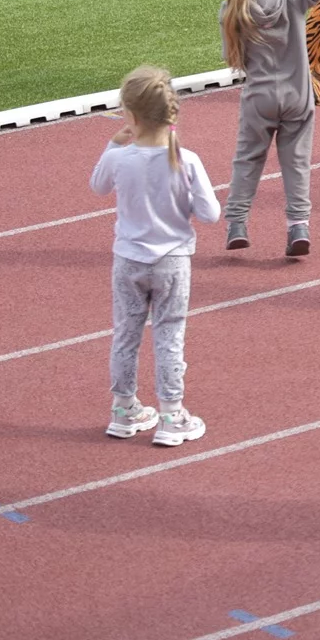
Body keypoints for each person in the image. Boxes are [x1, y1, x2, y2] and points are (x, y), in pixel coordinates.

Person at [93, 66, 220, 447]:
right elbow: (212, 214)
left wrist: (114, 144)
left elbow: (97, 186)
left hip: (128, 260)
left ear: (129, 118)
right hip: (172, 262)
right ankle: (171, 416)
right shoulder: (187, 160)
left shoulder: (120, 158)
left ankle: (123, 410)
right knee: (169, 336)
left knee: (126, 334)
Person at [221, 0, 320, 256]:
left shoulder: (231, 6)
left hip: (258, 97)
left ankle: (237, 223)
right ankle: (298, 226)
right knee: (296, 163)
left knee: (247, 160)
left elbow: (234, 58)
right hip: (298, 97)